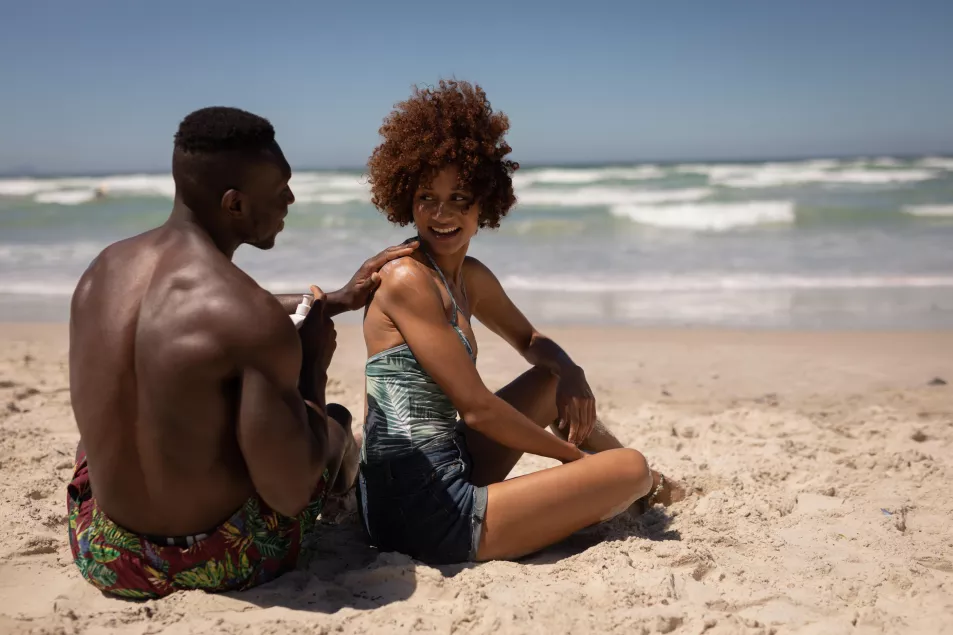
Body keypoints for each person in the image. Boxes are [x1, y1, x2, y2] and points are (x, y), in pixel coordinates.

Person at [66, 106, 417, 599]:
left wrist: (330, 301)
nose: (291, 200)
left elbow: (186, 318)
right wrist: (312, 366)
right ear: (234, 205)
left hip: (104, 550)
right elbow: (289, 492)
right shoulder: (248, 318)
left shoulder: (101, 273)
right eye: (280, 191)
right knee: (330, 424)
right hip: (215, 562)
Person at [357, 81, 683, 565]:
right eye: (427, 197)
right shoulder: (407, 279)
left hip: (450, 460)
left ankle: (641, 487)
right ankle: (640, 483)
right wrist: (574, 462)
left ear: (485, 203)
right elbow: (479, 410)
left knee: (552, 382)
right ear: (405, 196)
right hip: (417, 508)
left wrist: (571, 371)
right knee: (628, 467)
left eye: (459, 198)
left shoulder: (468, 276)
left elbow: (530, 339)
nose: (441, 214)